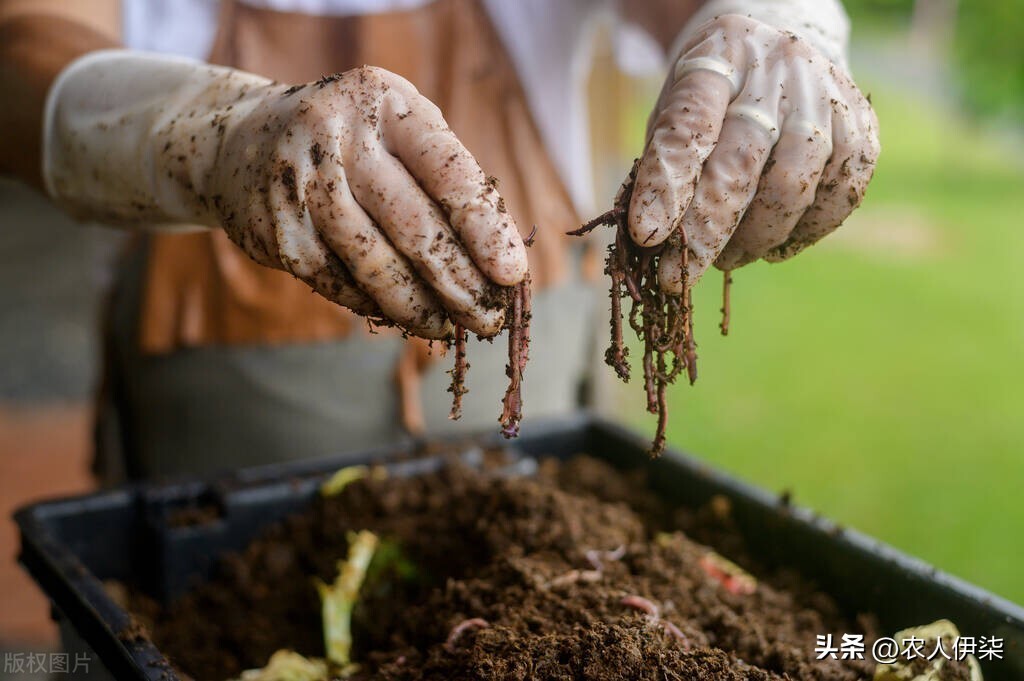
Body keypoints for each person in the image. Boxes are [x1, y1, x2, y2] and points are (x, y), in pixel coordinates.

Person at [0, 0, 878, 480]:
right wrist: (218, 132)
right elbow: (25, 48)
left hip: (538, 381)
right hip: (232, 380)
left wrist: (776, 22)